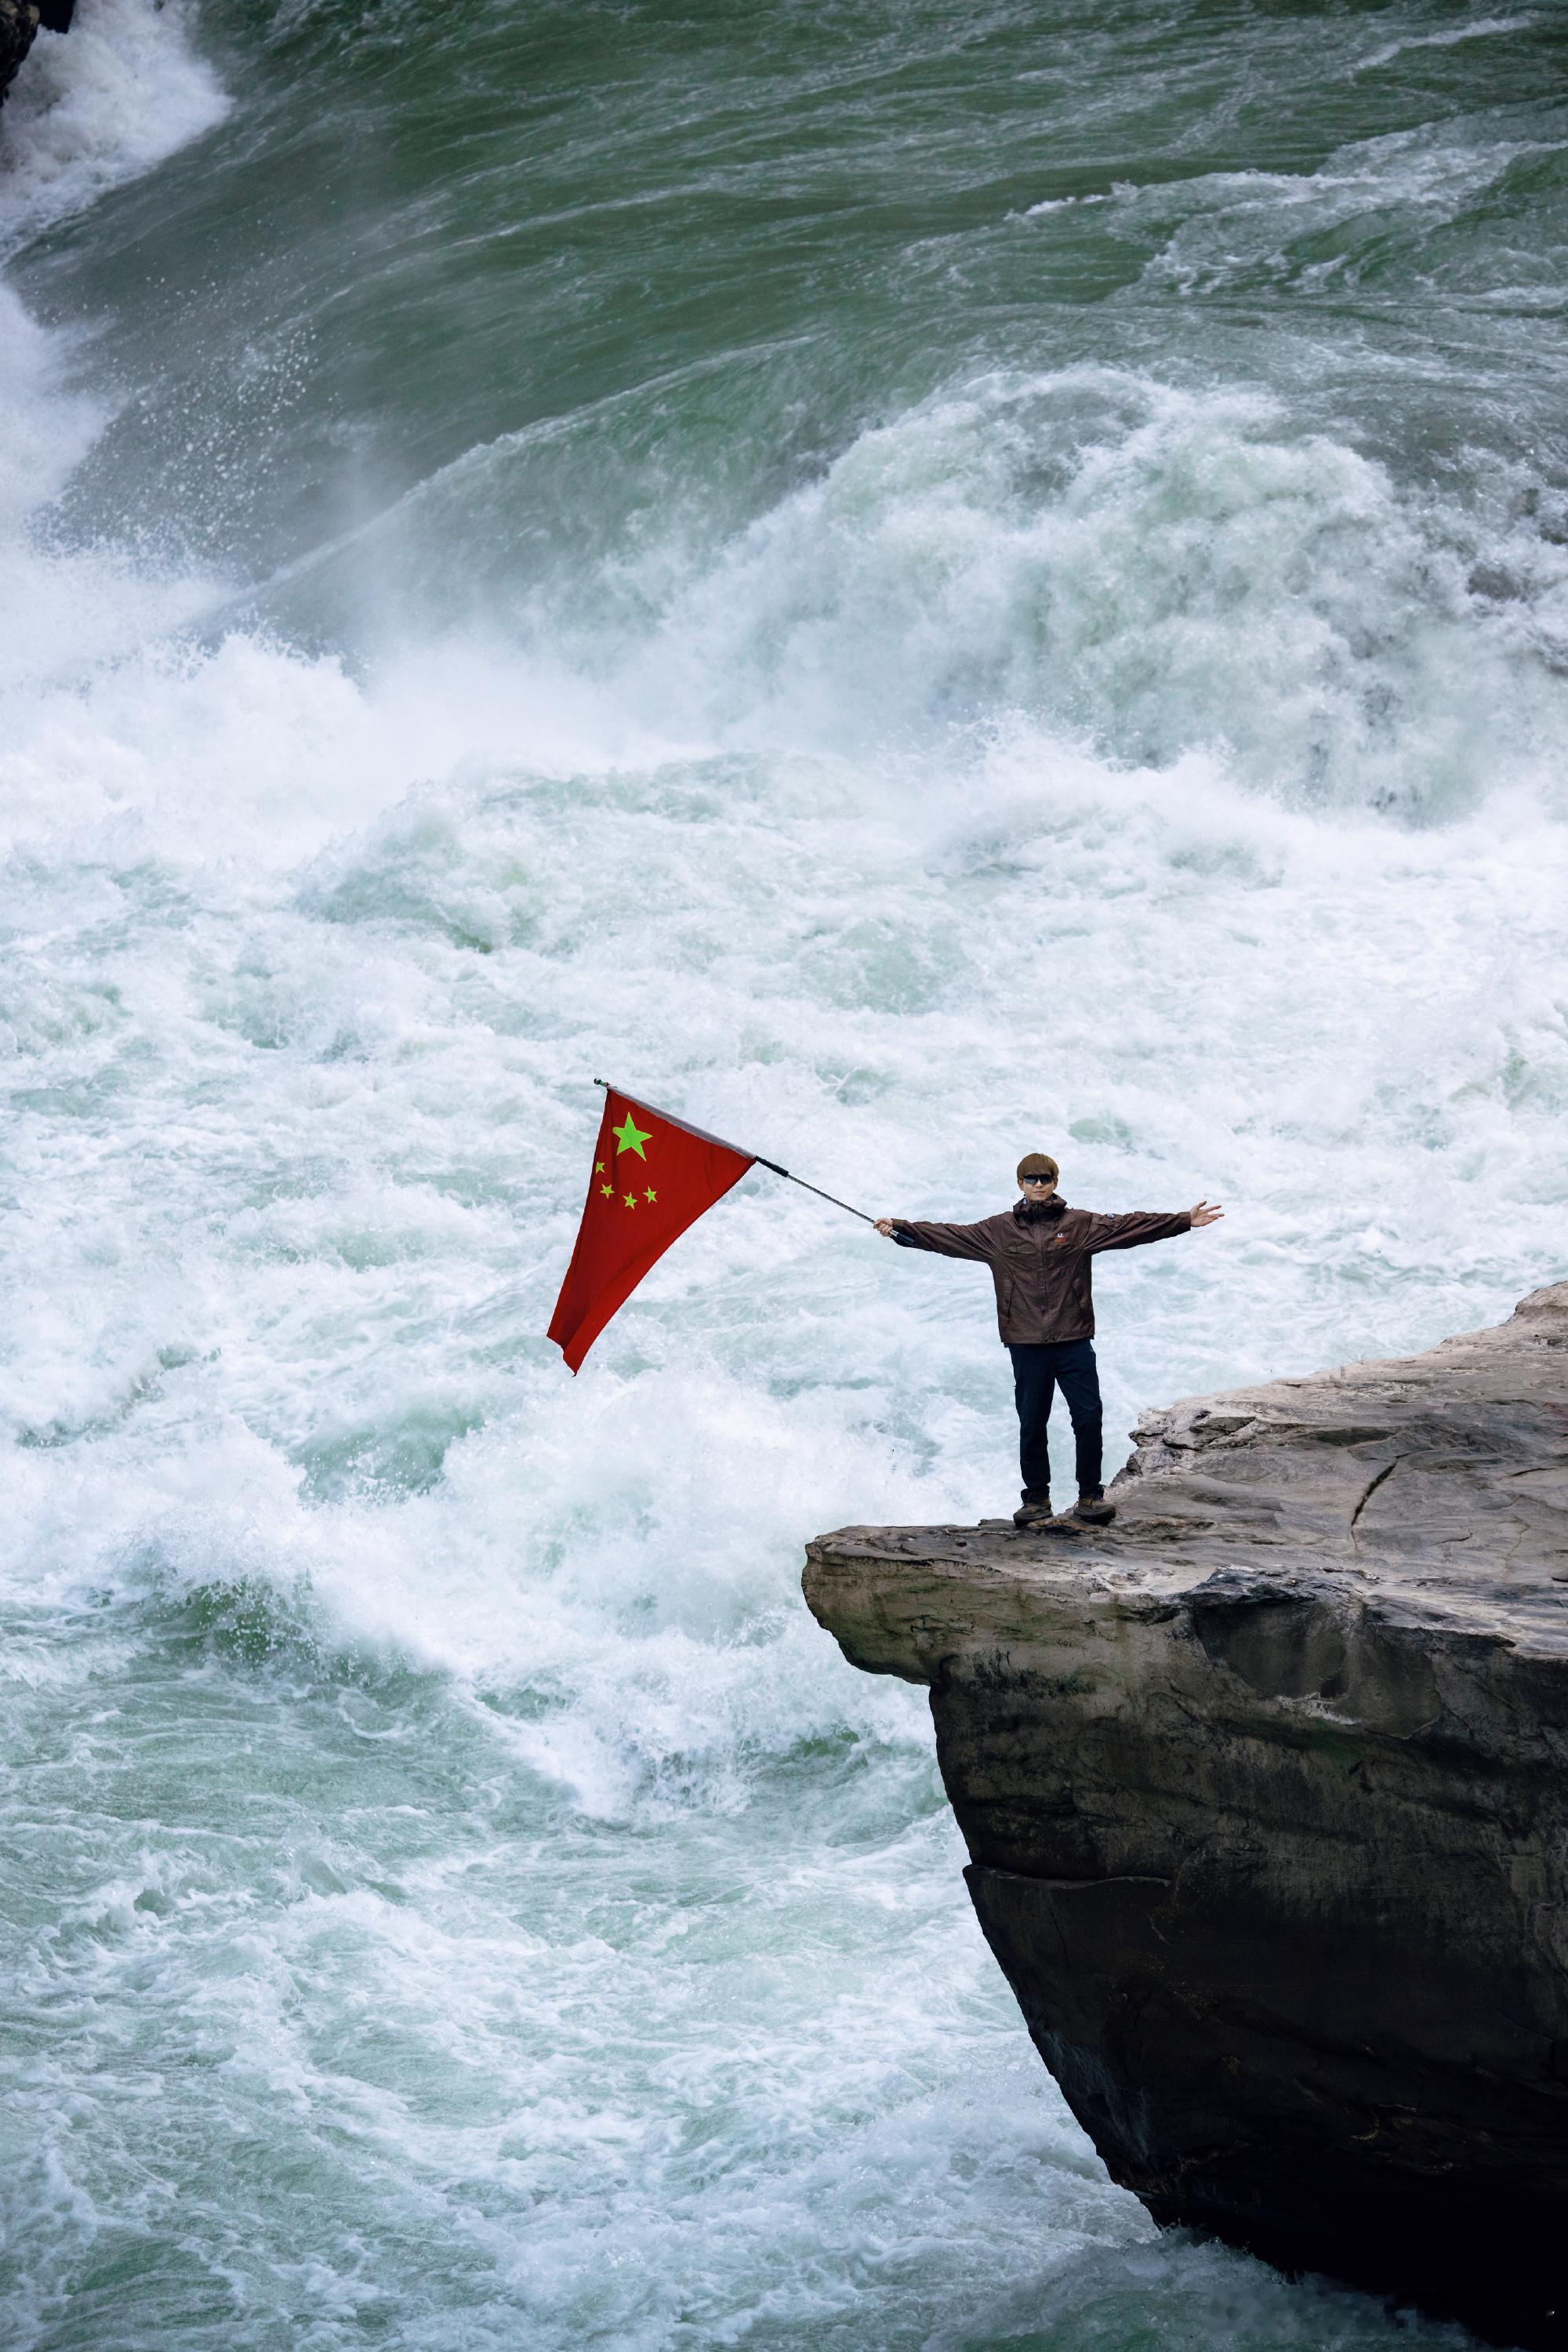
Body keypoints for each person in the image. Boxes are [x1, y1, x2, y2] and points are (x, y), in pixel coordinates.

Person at [876, 1155, 1223, 1530]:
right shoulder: (997, 1232)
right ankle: (1036, 1500)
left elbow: (1131, 1226)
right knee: (1032, 1422)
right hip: (1026, 1344)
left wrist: (1183, 1221)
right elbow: (947, 1236)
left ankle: (1090, 1495)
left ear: (1055, 1182)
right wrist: (900, 1229)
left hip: (1073, 1339)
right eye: (1031, 1178)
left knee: (1088, 1417)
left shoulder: (1080, 1225)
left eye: (1045, 1178)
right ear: (1020, 1183)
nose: (1038, 1184)